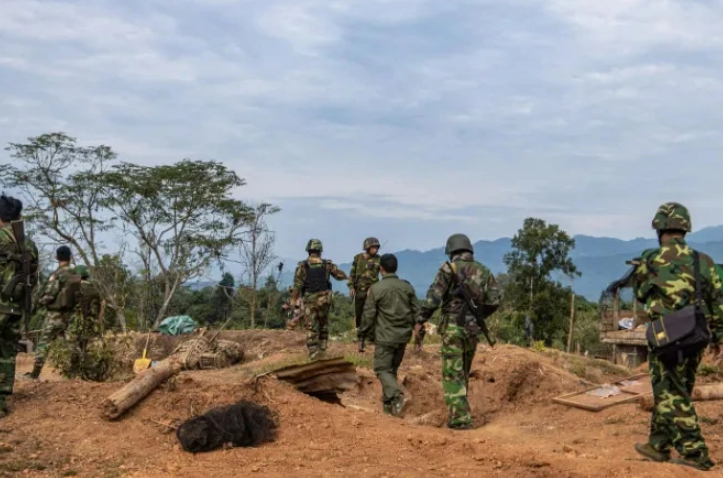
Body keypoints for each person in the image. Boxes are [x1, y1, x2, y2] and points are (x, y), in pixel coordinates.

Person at [632, 203, 723, 471]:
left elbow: (640, 293)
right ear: (685, 228)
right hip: (696, 336)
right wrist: (718, 339)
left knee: (674, 393)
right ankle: (658, 444)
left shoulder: (651, 258)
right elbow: (717, 303)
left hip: (665, 337)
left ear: (660, 228)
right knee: (669, 388)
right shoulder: (703, 261)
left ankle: (695, 454)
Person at [415, 233, 499, 430]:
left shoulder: (448, 269)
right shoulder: (484, 271)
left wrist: (420, 321)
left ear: (451, 251)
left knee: (453, 375)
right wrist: (478, 315)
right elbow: (494, 300)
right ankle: (460, 413)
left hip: (452, 329)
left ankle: (460, 420)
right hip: (473, 330)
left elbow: (432, 299)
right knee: (463, 372)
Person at [358, 253, 418, 416]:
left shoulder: (376, 289)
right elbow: (417, 314)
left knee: (381, 369)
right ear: (395, 268)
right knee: (391, 371)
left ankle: (398, 396)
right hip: (403, 337)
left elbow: (368, 315)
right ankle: (389, 410)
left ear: (381, 269)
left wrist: (362, 335)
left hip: (385, 337)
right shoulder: (407, 287)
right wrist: (419, 336)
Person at [0, 194, 39, 417]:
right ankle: (1, 402)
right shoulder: (28, 243)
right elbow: (32, 276)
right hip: (14, 307)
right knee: (5, 352)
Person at [27, 245, 79, 379]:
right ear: (70, 257)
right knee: (72, 345)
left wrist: (40, 302)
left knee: (44, 344)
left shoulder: (57, 274)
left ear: (56, 257)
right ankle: (75, 375)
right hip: (71, 315)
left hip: (55, 315)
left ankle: (34, 374)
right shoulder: (76, 273)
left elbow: (50, 294)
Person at [290, 239, 347, 360]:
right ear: (320, 251)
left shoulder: (303, 266)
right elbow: (339, 275)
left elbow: (297, 285)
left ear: (309, 251)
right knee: (323, 324)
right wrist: (350, 278)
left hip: (310, 301)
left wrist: (293, 300)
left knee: (311, 327)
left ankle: (313, 353)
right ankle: (322, 350)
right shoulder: (327, 264)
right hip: (324, 300)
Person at [348, 238, 382, 338]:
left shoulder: (379, 259)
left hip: (373, 291)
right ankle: (360, 335)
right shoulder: (358, 258)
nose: (376, 249)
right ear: (367, 247)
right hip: (359, 291)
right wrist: (351, 287)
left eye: (377, 247)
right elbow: (352, 274)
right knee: (359, 313)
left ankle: (372, 336)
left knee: (372, 313)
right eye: (373, 247)